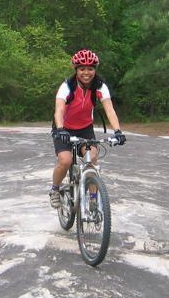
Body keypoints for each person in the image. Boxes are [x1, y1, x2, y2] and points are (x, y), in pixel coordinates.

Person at [50, 49, 126, 208]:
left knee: (92, 160)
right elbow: (59, 110)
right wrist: (60, 129)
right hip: (64, 128)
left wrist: (118, 131)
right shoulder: (67, 86)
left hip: (85, 129)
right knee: (65, 160)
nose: (86, 72)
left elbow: (109, 109)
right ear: (76, 70)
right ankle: (55, 190)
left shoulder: (100, 86)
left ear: (95, 70)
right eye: (82, 68)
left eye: (90, 68)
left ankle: (92, 199)